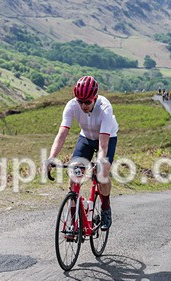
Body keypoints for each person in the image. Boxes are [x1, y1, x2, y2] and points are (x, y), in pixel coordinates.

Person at [47, 75, 119, 230]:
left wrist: (100, 162)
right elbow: (62, 135)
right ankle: (73, 222)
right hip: (86, 137)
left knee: (103, 172)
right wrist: (51, 157)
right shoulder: (72, 105)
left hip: (107, 137)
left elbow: (103, 144)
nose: (83, 105)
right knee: (74, 176)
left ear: (95, 98)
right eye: (80, 101)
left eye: (87, 102)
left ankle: (106, 209)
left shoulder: (105, 108)